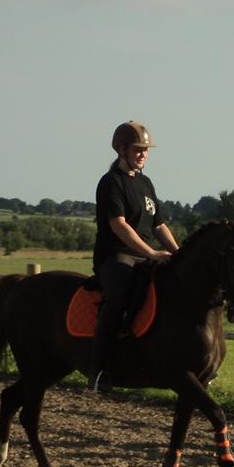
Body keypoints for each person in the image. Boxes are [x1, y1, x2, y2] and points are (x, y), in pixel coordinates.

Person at [88, 120, 179, 391]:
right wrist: (150, 252)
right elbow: (119, 225)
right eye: (137, 149)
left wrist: (178, 253)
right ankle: (98, 370)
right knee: (118, 298)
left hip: (145, 256)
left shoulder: (146, 183)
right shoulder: (110, 183)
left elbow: (159, 225)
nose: (142, 154)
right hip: (117, 256)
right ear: (121, 150)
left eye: (145, 150)